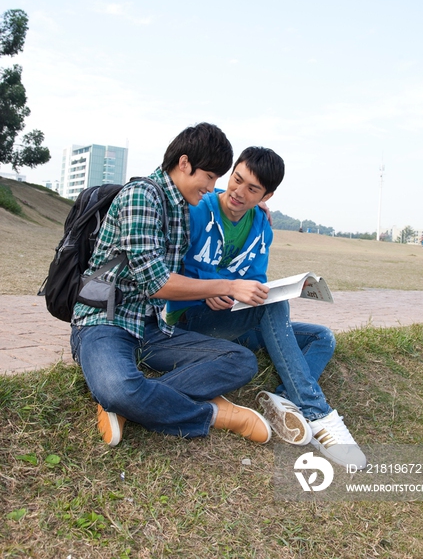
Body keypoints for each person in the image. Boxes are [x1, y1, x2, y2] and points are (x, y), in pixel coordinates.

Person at [71, 123, 272, 447]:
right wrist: (229, 286)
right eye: (210, 177)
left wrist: (256, 207)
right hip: (104, 321)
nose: (213, 187)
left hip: (151, 328)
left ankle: (129, 405)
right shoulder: (141, 196)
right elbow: (156, 283)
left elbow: (225, 204)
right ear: (184, 164)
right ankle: (214, 414)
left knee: (240, 361)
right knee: (117, 387)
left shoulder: (181, 206)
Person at [166, 147, 366, 469]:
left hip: (234, 320)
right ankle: (317, 414)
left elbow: (255, 283)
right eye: (237, 179)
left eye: (252, 189)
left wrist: (240, 294)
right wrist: (211, 291)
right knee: (273, 306)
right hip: (191, 320)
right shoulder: (199, 209)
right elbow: (169, 271)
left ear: (267, 195)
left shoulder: (261, 226)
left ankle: (284, 401)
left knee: (321, 337)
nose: (238, 192)